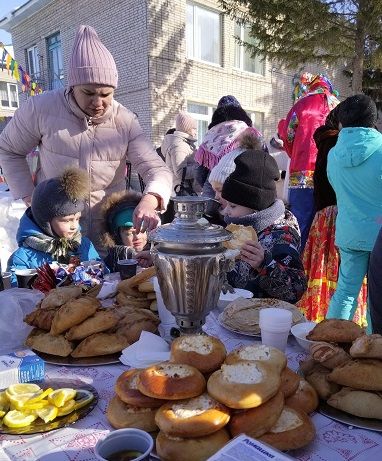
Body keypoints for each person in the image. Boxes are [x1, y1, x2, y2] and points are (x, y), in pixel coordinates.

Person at [0, 25, 172, 254]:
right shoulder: (40, 109)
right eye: (89, 93)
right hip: (57, 235)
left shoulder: (125, 121)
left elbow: (158, 170)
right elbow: (9, 150)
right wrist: (32, 198)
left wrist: (151, 199)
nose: (98, 102)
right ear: (72, 86)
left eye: (106, 94)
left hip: (107, 236)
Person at [297, 105, 367, 326]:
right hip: (344, 216)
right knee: (345, 274)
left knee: (325, 268)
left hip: (324, 218)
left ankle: (319, 315)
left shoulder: (325, 142)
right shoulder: (342, 144)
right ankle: (342, 324)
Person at [221, 150, 307, 304]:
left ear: (254, 207)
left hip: (265, 318)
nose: (225, 211)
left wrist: (264, 264)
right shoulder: (239, 227)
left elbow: (296, 289)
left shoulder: (282, 235)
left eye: (232, 206)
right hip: (233, 309)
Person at [326, 94, 382, 328]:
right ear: (374, 120)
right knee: (377, 299)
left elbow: (333, 184)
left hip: (349, 231)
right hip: (380, 236)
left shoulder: (333, 154)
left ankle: (329, 342)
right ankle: (373, 353)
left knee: (346, 291)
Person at [278, 73, 339, 251]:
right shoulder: (338, 106)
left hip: (302, 173)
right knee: (329, 223)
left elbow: (288, 137)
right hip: (332, 173)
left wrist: (295, 153)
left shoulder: (302, 104)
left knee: (300, 223)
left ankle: (296, 264)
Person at [7, 168, 101, 284]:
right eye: (67, 221)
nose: (74, 226)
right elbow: (14, 293)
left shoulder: (85, 246)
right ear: (45, 222)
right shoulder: (23, 258)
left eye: (77, 219)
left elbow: (104, 276)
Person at [102, 190, 150, 272]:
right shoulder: (111, 262)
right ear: (118, 236)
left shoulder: (158, 254)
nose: (137, 237)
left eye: (142, 231)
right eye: (129, 233)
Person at [161, 111, 198, 193]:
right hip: (184, 191)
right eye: (194, 129)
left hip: (186, 189)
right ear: (186, 128)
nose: (196, 132)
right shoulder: (179, 145)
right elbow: (180, 172)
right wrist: (200, 168)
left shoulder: (185, 143)